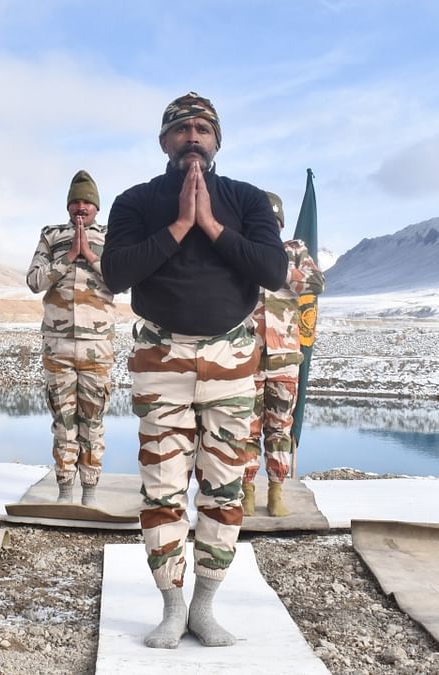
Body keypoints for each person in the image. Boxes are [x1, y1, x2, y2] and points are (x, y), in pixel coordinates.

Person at [103, 91, 287, 649]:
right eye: (181, 130)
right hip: (161, 358)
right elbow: (115, 274)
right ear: (164, 141)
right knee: (162, 488)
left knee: (224, 487)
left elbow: (273, 271)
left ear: (217, 140)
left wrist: (209, 223)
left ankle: (205, 606)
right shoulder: (135, 201)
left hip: (230, 360)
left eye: (202, 130)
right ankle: (171, 605)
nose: (192, 138)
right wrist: (180, 224)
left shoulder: (246, 199)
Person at [26, 170, 116, 507]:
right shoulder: (51, 235)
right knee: (64, 421)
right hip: (58, 346)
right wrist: (68, 257)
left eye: (87, 202)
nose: (81, 208)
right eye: (76, 202)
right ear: (68, 205)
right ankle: (65, 491)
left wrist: (90, 256)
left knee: (92, 422)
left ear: (96, 207)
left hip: (97, 348)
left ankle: (90, 492)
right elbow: (34, 280)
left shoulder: (111, 235)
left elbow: (120, 279)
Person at [241, 191, 325, 518]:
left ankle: (276, 490)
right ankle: (247, 489)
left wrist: (281, 271)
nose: (267, 226)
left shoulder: (293, 252)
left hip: (284, 361)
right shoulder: (241, 250)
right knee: (245, 429)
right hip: (246, 359)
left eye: (272, 221)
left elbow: (316, 282)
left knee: (279, 429)